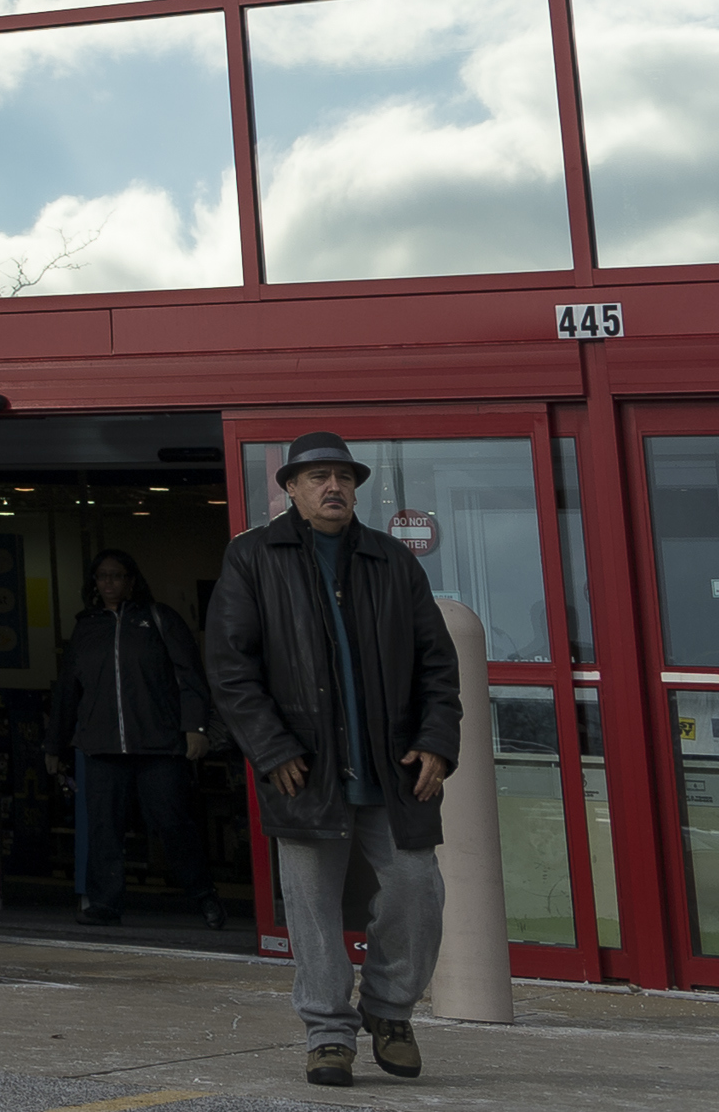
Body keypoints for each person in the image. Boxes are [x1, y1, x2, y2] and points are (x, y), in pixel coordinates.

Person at [207, 432, 460, 1089]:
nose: (333, 486)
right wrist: (272, 746)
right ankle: (327, 1034)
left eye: (343, 476)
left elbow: (438, 663)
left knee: (417, 888)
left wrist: (438, 739)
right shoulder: (253, 558)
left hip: (392, 769)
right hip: (304, 769)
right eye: (318, 475)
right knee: (314, 909)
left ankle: (389, 1009)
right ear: (290, 488)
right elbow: (231, 667)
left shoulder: (393, 563)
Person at [49, 549, 224, 928]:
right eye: (101, 577)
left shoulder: (159, 619)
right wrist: (54, 744)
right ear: (93, 583)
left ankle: (204, 896)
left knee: (173, 822)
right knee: (104, 828)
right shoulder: (86, 627)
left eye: (116, 576)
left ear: (131, 580)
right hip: (100, 745)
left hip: (157, 743)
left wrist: (195, 728)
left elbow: (190, 676)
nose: (108, 583)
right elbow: (67, 690)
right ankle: (105, 904)